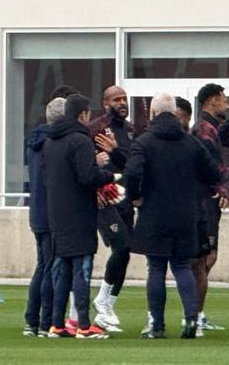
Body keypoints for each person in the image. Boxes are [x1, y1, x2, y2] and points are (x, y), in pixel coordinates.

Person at [123, 93, 222, 339]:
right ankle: (191, 318)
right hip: (186, 214)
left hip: (154, 212)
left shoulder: (144, 142)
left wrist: (135, 196)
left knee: (156, 267)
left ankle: (157, 325)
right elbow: (214, 173)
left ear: (153, 113)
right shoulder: (190, 143)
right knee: (182, 266)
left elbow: (132, 173)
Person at [44, 94, 116, 339]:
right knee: (81, 268)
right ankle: (84, 325)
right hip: (79, 213)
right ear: (83, 114)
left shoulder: (50, 142)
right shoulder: (80, 141)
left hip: (56, 213)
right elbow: (87, 177)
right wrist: (109, 175)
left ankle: (57, 324)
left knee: (62, 269)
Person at [23, 88, 76, 337]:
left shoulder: (35, 141)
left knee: (42, 265)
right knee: (51, 268)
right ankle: (46, 322)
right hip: (53, 211)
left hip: (37, 210)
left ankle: (32, 320)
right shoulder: (53, 143)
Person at [189, 82, 229, 335]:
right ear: (211, 101)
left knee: (208, 258)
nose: (227, 105)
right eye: (223, 99)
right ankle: (193, 316)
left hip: (210, 202)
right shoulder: (203, 130)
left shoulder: (213, 128)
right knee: (202, 260)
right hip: (202, 202)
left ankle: (197, 313)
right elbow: (212, 168)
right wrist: (226, 195)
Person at [89, 85, 135, 332]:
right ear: (106, 103)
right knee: (122, 245)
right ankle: (101, 299)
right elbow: (83, 163)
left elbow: (131, 164)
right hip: (104, 198)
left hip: (125, 197)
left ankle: (108, 307)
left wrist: (115, 151)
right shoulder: (95, 128)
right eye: (117, 99)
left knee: (125, 252)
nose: (122, 103)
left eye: (124, 99)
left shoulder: (130, 129)